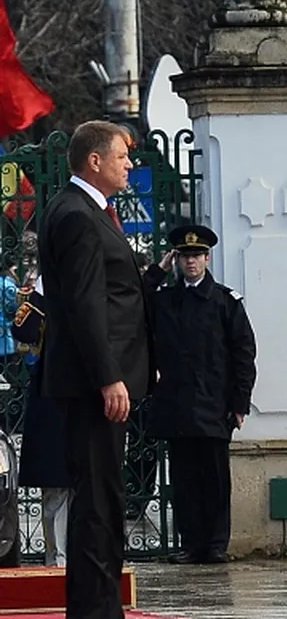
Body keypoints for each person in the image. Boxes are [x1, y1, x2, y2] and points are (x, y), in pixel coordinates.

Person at [37, 120, 152, 619]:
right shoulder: (78, 215)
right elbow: (86, 305)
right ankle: (95, 609)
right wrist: (109, 376)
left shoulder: (88, 210)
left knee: (104, 494)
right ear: (95, 162)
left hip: (103, 377)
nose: (130, 165)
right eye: (122, 157)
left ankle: (99, 604)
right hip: (92, 384)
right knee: (99, 499)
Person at [142, 225, 257, 565]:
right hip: (177, 404)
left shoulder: (224, 301)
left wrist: (239, 402)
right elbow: (135, 298)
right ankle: (191, 542)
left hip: (213, 404)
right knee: (184, 479)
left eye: (196, 256)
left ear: (207, 258)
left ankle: (216, 543)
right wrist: (157, 271)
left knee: (215, 478)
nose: (190, 262)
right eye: (183, 256)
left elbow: (243, 353)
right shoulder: (165, 299)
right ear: (175, 259)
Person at [13, 276, 75, 567]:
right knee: (55, 483)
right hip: (51, 394)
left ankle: (87, 557)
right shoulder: (43, 289)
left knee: (89, 484)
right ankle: (57, 560)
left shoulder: (98, 281)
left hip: (89, 392)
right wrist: (41, 293)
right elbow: (22, 330)